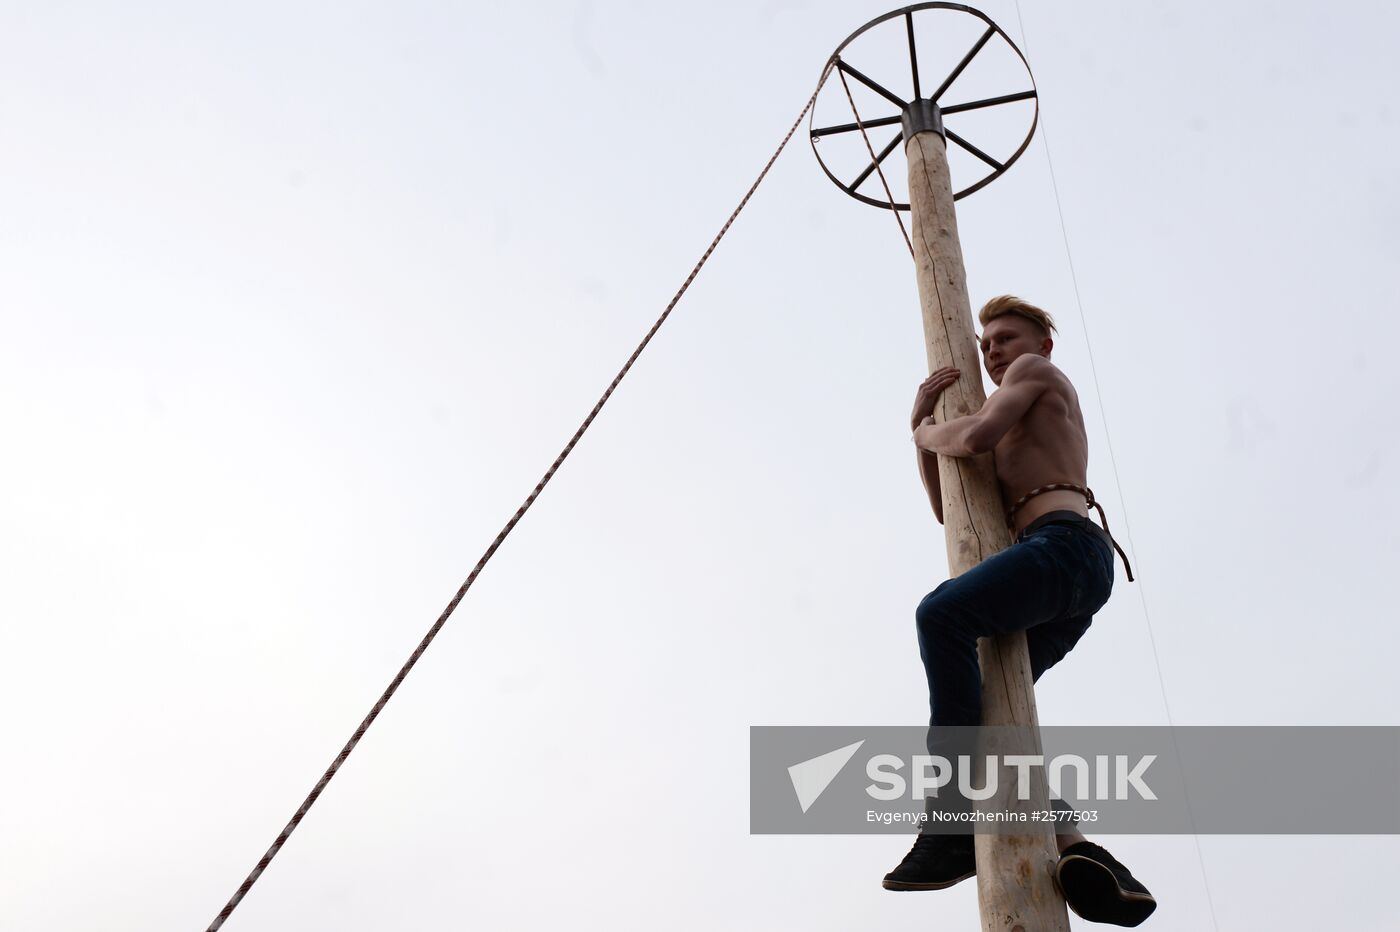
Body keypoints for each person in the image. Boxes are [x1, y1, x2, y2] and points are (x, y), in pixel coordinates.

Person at [880, 296, 1157, 927]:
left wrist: (927, 431)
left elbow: (973, 435)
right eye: (985, 343)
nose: (992, 349)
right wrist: (923, 437)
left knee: (940, 616)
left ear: (1041, 345)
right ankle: (1082, 850)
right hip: (1060, 575)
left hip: (1065, 547)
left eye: (1005, 337)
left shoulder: (1038, 375)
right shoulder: (1005, 419)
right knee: (993, 718)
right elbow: (952, 509)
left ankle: (949, 823)